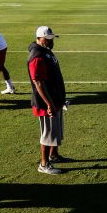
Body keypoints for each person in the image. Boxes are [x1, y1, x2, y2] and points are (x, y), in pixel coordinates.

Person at [28, 26, 67, 175]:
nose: (51, 42)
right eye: (48, 39)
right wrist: (49, 104)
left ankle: (54, 155)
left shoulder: (46, 52)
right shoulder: (37, 56)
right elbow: (38, 82)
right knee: (48, 134)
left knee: (56, 131)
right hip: (46, 102)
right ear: (39, 38)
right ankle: (44, 164)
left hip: (54, 98)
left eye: (52, 39)